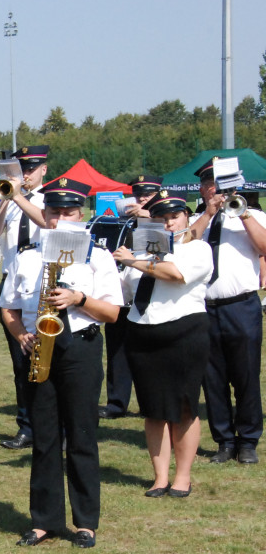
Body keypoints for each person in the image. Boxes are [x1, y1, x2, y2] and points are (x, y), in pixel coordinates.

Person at [0, 178, 123, 548]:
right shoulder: (26, 256)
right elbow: (7, 307)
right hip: (38, 347)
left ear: (81, 214)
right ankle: (44, 520)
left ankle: (86, 522)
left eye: (68, 212)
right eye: (53, 212)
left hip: (80, 349)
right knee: (45, 436)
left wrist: (79, 298)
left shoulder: (97, 256)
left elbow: (113, 313)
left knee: (82, 435)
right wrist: (20, 333)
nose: (59, 220)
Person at [112, 190, 212, 497]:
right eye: (161, 219)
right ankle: (159, 477)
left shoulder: (198, 249)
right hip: (143, 332)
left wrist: (134, 261)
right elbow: (126, 291)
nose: (168, 224)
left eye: (174, 216)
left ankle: (182, 477)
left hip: (183, 332)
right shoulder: (140, 253)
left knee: (183, 407)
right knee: (153, 410)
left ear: (186, 216)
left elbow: (174, 274)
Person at [188, 157, 266, 465]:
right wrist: (208, 214)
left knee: (246, 374)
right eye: (211, 186)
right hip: (205, 307)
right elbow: (182, 245)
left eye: (221, 186)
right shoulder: (197, 221)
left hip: (241, 306)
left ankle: (248, 440)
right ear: (203, 189)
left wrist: (242, 212)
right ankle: (223, 439)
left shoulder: (253, 214)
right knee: (213, 377)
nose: (217, 191)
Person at [0, 146, 49, 450]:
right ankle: (26, 425)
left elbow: (46, 222)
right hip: (12, 281)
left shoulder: (51, 199)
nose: (26, 173)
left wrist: (19, 197)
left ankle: (49, 422)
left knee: (47, 355)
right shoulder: (10, 201)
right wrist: (3, 201)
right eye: (22, 168)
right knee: (19, 361)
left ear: (43, 170)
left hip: (40, 283)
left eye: (32, 168)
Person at [101, 175, 163, 420]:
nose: (142, 199)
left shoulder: (163, 219)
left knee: (150, 353)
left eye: (148, 194)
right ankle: (116, 403)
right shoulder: (125, 221)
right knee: (117, 349)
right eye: (139, 195)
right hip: (122, 288)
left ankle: (151, 402)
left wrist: (148, 217)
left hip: (149, 290)